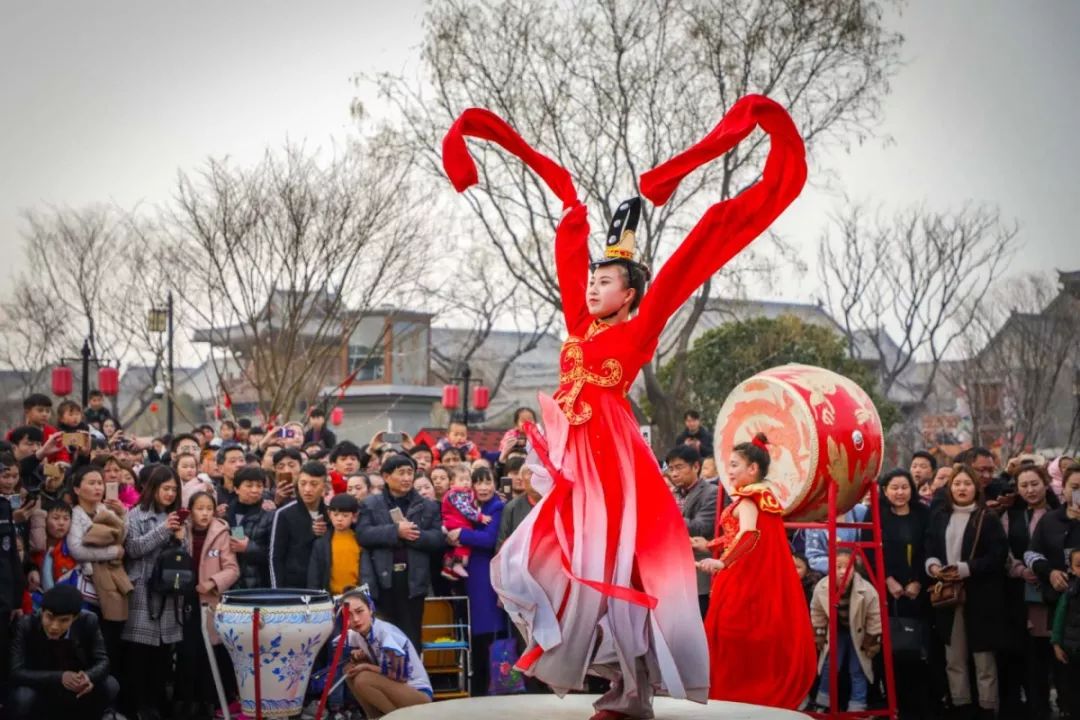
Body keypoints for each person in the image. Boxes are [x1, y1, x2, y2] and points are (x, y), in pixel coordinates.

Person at [445, 94, 808, 717]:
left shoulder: (637, 330)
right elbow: (568, 251)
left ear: (632, 291)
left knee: (622, 570)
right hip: (576, 464)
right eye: (590, 279)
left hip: (612, 460)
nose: (591, 285)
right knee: (545, 560)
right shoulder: (579, 326)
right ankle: (615, 677)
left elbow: (692, 256)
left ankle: (636, 686)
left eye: (605, 280)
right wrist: (572, 211)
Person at [697, 433, 816, 708]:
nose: (730, 470)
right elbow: (739, 535)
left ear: (753, 469)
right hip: (743, 577)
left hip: (742, 579)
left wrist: (723, 562)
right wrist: (709, 545)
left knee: (732, 636)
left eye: (735, 465)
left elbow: (749, 535)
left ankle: (738, 697)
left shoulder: (750, 497)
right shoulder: (757, 498)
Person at [925, 464, 1007, 719]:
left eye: (967, 483)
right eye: (957, 483)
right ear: (949, 488)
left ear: (976, 488)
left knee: (983, 658)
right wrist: (933, 565)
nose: (962, 488)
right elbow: (929, 546)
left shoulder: (987, 518)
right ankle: (961, 706)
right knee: (954, 656)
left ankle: (987, 706)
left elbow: (998, 556)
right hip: (948, 595)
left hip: (980, 596)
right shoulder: (940, 516)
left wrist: (966, 568)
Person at [357, 454, 442, 651]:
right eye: (401, 473)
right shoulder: (371, 504)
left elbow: (437, 539)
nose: (406, 478)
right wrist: (395, 532)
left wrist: (412, 535)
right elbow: (363, 534)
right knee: (383, 636)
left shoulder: (427, 505)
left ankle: (411, 679)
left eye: (410, 473)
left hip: (413, 580)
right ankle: (385, 679)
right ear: (386, 476)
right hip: (381, 579)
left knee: (411, 636)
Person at [122, 464, 184, 719]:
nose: (170, 494)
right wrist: (164, 530)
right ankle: (138, 706)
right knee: (138, 656)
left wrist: (181, 537)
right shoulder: (134, 515)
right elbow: (134, 549)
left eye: (173, 489)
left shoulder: (177, 517)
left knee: (162, 656)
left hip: (170, 591)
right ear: (153, 488)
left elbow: (184, 557)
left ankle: (158, 706)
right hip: (142, 592)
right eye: (165, 488)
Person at [869, 468, 932, 719]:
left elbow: (930, 549)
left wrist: (919, 580)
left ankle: (918, 707)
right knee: (890, 651)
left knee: (918, 652)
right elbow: (871, 553)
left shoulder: (923, 515)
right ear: (884, 491)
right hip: (888, 594)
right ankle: (891, 704)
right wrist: (887, 580)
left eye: (904, 487)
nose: (899, 493)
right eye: (894, 488)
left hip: (918, 593)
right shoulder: (876, 516)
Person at [8, 584, 118, 719]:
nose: (54, 626)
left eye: (63, 620)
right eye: (49, 617)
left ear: (75, 617)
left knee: (110, 684)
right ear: (42, 611)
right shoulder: (26, 624)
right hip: (42, 688)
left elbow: (102, 660)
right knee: (23, 696)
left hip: (76, 689)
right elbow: (16, 671)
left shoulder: (89, 620)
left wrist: (87, 677)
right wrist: (60, 677)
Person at [174, 490, 239, 717]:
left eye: (209, 509)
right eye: (199, 508)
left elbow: (232, 569)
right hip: (182, 599)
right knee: (185, 652)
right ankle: (184, 701)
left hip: (208, 601)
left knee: (208, 652)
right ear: (190, 510)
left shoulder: (222, 531)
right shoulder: (182, 531)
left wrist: (212, 582)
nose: (204, 513)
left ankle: (208, 701)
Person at [1000, 464, 1056, 720]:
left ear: (1046, 483)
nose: (1030, 490)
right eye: (1024, 485)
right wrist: (1021, 570)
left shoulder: (1060, 514)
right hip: (1019, 595)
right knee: (1027, 656)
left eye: (1034, 484)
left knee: (1052, 654)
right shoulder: (1010, 516)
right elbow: (1004, 554)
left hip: (1054, 591)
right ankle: (1034, 707)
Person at [445, 466, 506, 695]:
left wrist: (461, 535)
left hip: (486, 578)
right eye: (478, 482)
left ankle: (490, 688)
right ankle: (476, 687)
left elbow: (490, 539)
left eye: (487, 482)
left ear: (495, 483)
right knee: (473, 635)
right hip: (468, 576)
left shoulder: (497, 507)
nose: (483, 487)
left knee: (488, 634)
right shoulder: (467, 505)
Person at [1026, 465, 1080, 718]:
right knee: (1064, 674)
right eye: (1075, 488)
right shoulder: (1051, 520)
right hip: (1062, 606)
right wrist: (1049, 572)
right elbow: (1031, 553)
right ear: (1064, 490)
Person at [338, 586, 432, 717]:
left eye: (360, 611)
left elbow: (400, 676)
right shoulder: (358, 634)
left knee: (363, 678)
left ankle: (394, 718)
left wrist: (366, 666)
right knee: (350, 669)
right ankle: (374, 717)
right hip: (396, 688)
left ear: (371, 609)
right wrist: (358, 657)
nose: (356, 619)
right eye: (349, 615)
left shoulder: (386, 634)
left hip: (417, 693)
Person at [810, 548, 882, 713]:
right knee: (830, 664)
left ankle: (858, 704)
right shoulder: (822, 587)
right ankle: (823, 700)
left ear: (855, 569)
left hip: (859, 633)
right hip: (837, 631)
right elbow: (817, 611)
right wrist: (819, 633)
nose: (843, 572)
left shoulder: (867, 590)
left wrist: (872, 639)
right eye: (838, 566)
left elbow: (875, 616)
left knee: (857, 668)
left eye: (848, 567)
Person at [668, 445, 716, 618]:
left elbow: (702, 527)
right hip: (673, 573)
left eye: (679, 467)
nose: (674, 474)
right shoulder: (671, 493)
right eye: (671, 469)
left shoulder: (712, 493)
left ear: (696, 466)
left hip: (699, 574)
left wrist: (667, 514)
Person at [269, 461, 330, 588]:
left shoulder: (331, 513)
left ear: (324, 487)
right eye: (303, 483)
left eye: (314, 484)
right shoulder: (284, 514)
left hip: (324, 584)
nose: (307, 489)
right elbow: (275, 557)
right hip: (293, 586)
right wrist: (278, 592)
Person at [439, 463, 492, 580]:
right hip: (455, 522)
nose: (465, 482)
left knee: (456, 545)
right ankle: (458, 563)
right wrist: (480, 517)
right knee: (465, 539)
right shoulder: (456, 494)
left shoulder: (465, 493)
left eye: (468, 479)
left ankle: (448, 569)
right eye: (461, 480)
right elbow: (466, 509)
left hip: (456, 521)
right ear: (452, 483)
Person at [225, 466, 274, 589]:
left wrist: (249, 548)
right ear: (236, 489)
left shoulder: (270, 515)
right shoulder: (226, 513)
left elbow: (275, 554)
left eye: (259, 486)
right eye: (249, 485)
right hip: (228, 583)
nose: (255, 490)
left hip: (258, 584)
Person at [308, 492, 362, 594]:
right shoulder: (321, 543)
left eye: (345, 515)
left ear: (354, 516)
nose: (339, 519)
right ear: (329, 514)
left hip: (357, 595)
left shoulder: (360, 540)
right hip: (330, 596)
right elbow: (314, 576)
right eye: (335, 514)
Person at [1052, 548, 1080, 719]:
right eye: (1079, 565)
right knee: (1073, 689)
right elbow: (1059, 619)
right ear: (1072, 569)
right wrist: (1056, 644)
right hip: (1072, 651)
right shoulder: (1069, 593)